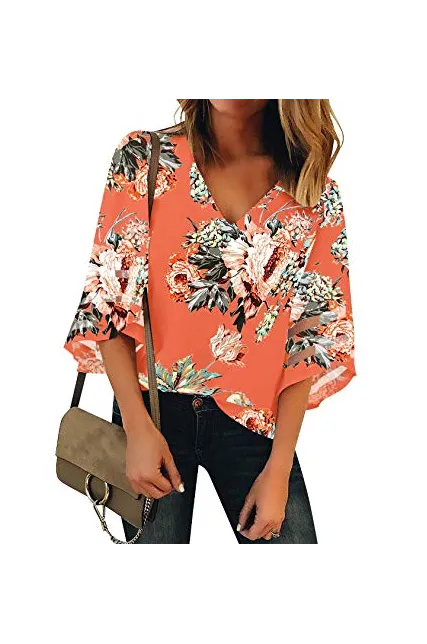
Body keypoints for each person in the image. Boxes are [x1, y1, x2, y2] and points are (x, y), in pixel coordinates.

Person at [63, 97, 356, 544]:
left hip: (254, 426)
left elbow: (309, 342)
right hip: (152, 411)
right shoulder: (146, 157)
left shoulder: (312, 193)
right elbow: (110, 301)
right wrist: (137, 430)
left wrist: (279, 470)